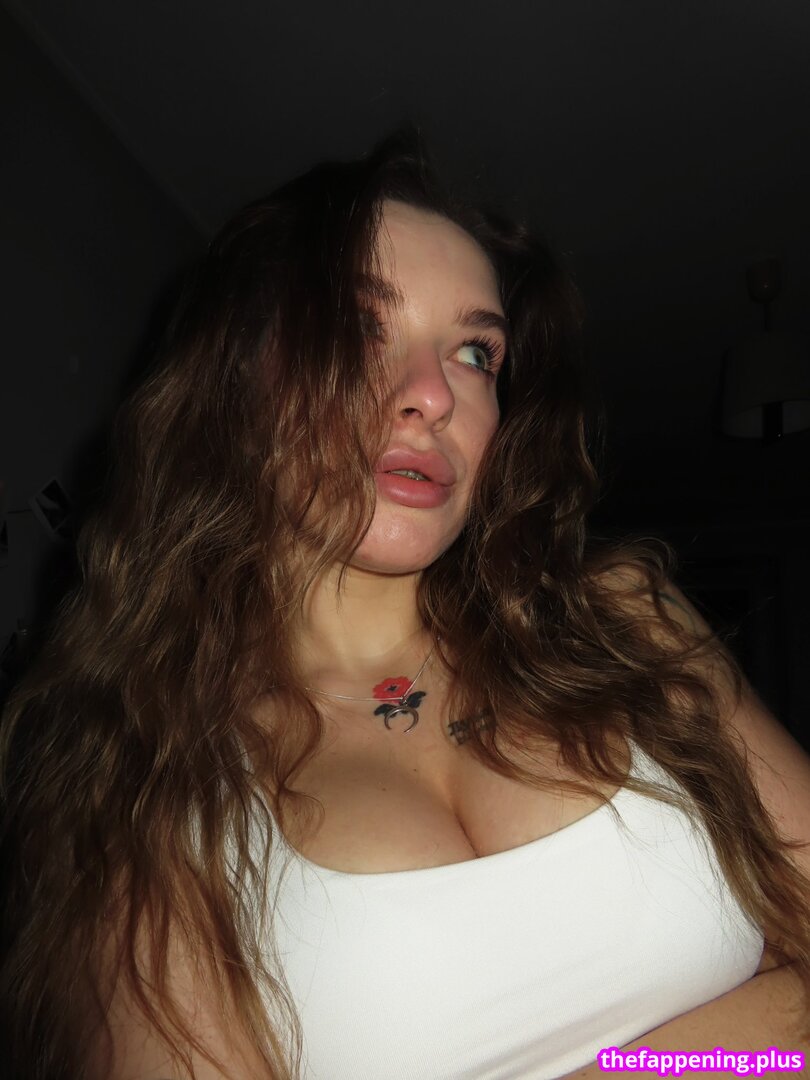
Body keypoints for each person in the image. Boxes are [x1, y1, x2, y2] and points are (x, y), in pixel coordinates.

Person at [1, 126, 809, 1080]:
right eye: (356, 327)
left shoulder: (625, 619)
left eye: (475, 351)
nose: (433, 394)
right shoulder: (140, 773)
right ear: (237, 381)